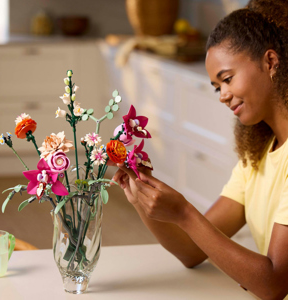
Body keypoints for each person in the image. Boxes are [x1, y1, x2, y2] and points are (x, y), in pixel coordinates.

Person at [111, 6, 288, 300]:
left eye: (227, 79)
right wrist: (141, 194)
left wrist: (184, 212)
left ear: (270, 62)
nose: (222, 96)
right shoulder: (258, 155)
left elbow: (274, 283)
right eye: (216, 86)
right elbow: (191, 250)